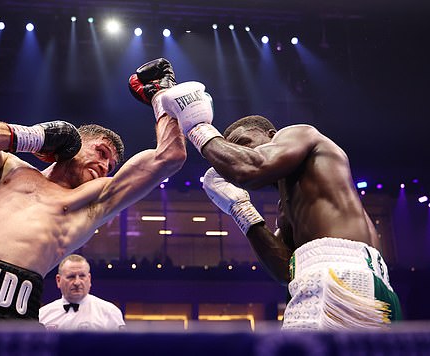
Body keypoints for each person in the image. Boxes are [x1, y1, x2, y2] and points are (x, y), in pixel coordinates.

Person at [0, 58, 186, 320]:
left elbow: (169, 157)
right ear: (75, 143)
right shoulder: (8, 168)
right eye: (100, 152)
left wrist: (162, 97)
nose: (105, 165)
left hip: (10, 309)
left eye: (110, 164)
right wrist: (36, 137)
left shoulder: (93, 202)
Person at [157, 80, 402, 330]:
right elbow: (287, 271)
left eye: (243, 143)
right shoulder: (290, 207)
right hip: (362, 284)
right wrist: (240, 209)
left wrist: (197, 126)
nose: (236, 153)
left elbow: (250, 167)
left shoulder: (300, 133)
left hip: (338, 277)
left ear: (271, 136)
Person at [39, 254, 125, 330]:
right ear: (58, 280)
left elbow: (121, 346)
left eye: (82, 276)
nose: (77, 282)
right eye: (71, 276)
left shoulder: (109, 312)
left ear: (89, 279)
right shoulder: (43, 314)